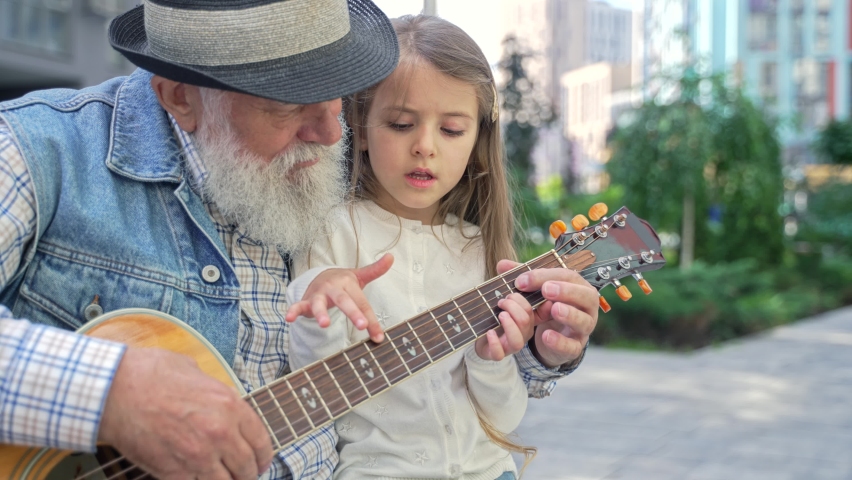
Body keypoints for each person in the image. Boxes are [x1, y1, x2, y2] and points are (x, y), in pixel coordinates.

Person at [0, 0, 600, 479]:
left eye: (340, 91)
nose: (332, 130)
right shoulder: (34, 154)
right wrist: (115, 392)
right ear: (180, 97)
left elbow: (431, 356)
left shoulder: (325, 167)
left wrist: (534, 352)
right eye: (287, 103)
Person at [285, 15, 539, 480]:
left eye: (451, 130)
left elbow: (503, 420)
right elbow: (312, 391)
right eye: (402, 124)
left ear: (477, 141)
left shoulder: (480, 248)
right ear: (360, 127)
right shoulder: (330, 231)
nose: (425, 146)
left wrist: (489, 359)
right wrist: (318, 300)